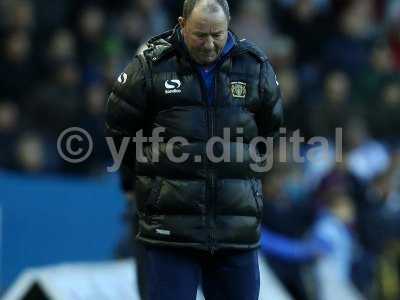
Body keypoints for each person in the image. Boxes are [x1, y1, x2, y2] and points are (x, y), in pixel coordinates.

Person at [106, 0, 283, 299]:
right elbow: (120, 129)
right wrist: (136, 183)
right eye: (201, 34)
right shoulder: (150, 66)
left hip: (234, 232)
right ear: (182, 24)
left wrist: (241, 180)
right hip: (171, 233)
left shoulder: (255, 67)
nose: (210, 44)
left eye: (218, 34)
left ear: (229, 24)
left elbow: (271, 132)